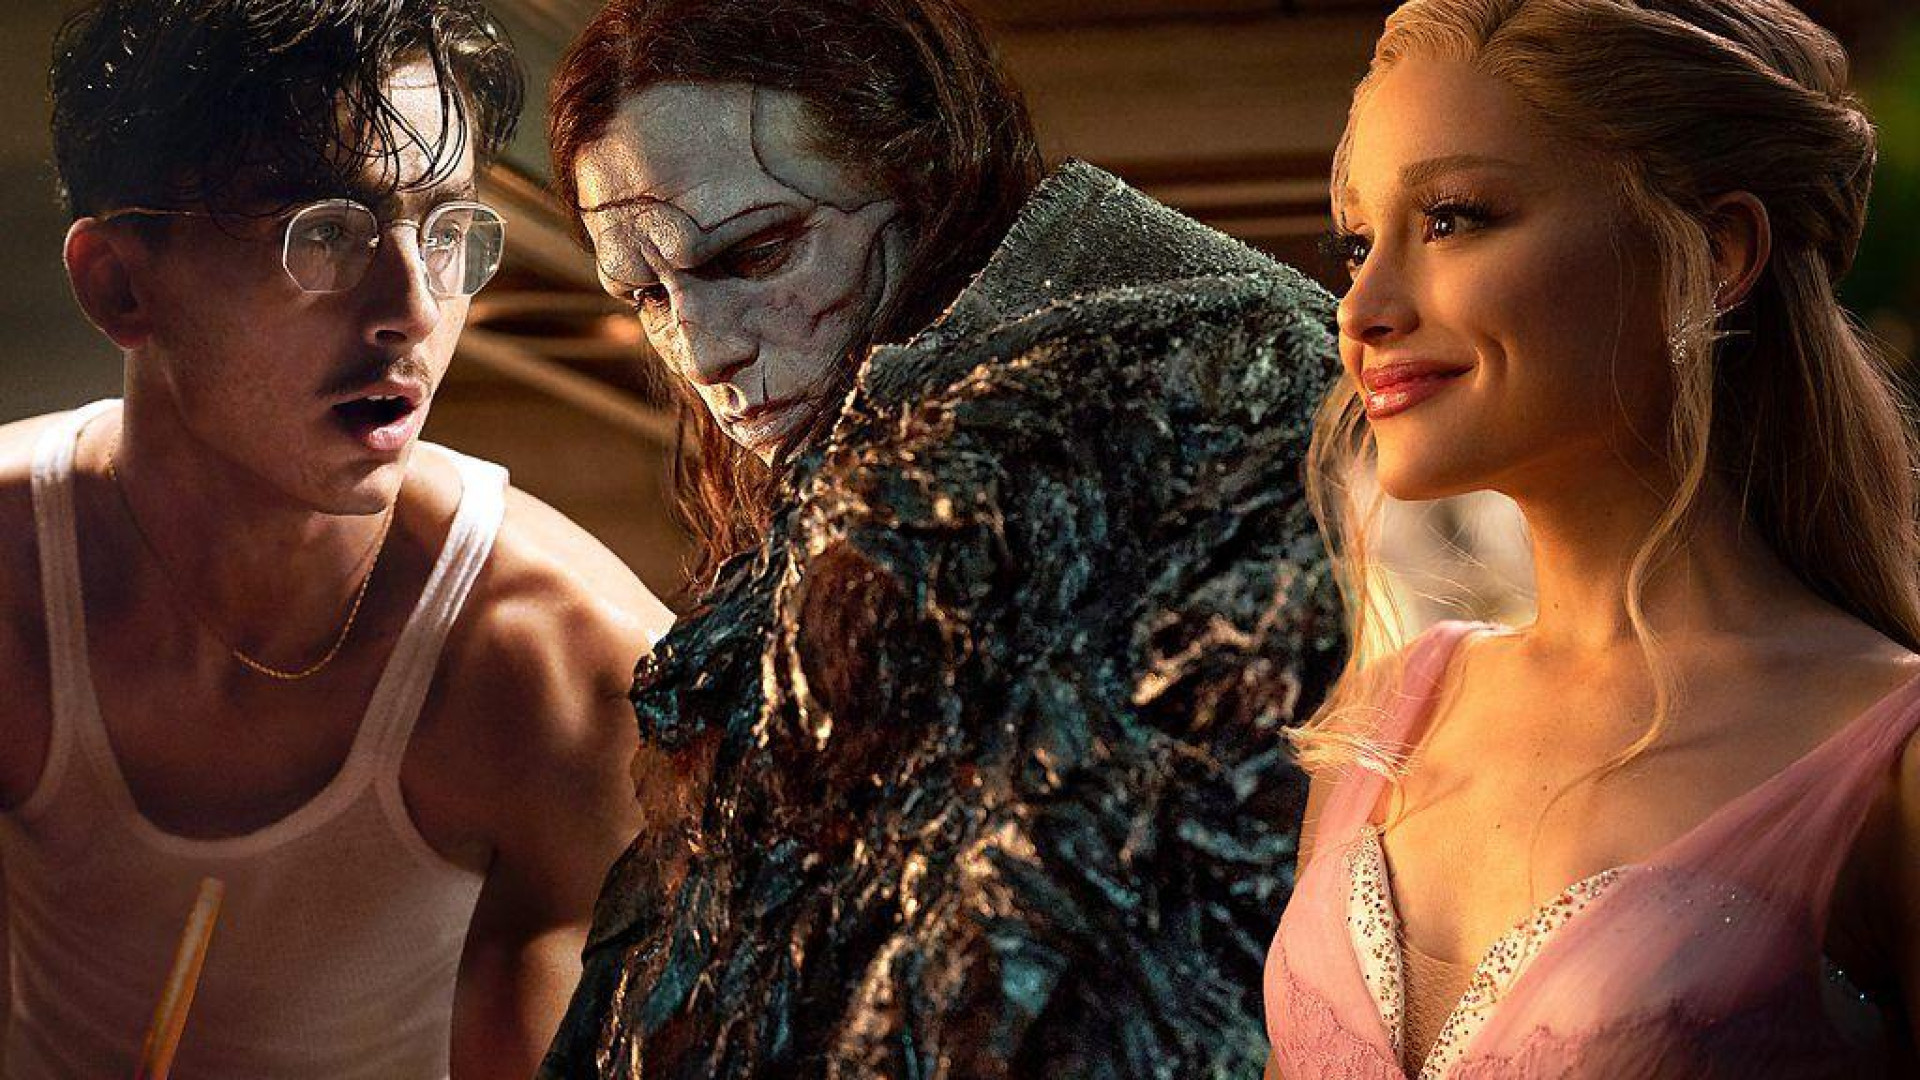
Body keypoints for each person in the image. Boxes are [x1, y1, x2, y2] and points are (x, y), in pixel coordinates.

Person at [539, 0, 1345, 1075]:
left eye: (760, 251)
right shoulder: (858, 479)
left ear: (930, 180)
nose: (702, 351)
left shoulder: (1219, 404)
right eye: (646, 293)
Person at [0, 1, 675, 1076]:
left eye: (447, 232)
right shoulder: (12, 572)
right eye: (324, 232)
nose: (414, 310)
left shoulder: (565, 664)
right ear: (120, 284)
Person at [1264, 0, 1920, 1076]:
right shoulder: (1380, 728)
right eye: (1357, 245)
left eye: (1453, 218)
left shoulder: (1889, 764)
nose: (1363, 307)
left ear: (1716, 252)